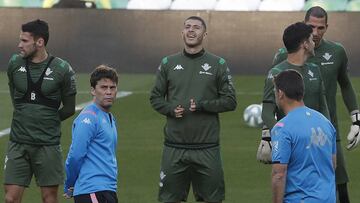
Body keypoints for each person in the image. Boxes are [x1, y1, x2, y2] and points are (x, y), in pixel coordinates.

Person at [272, 6, 360, 203]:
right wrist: (269, 132)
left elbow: (345, 85)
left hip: (329, 129)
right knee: (295, 180)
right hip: (296, 134)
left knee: (340, 184)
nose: (316, 32)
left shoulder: (336, 52)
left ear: (327, 27)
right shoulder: (282, 56)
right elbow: (275, 95)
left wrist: (356, 119)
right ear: (304, 25)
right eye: (311, 27)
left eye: (321, 28)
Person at [150, 16, 237, 203]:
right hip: (174, 148)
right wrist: (171, 109)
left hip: (207, 148)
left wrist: (202, 105)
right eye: (187, 27)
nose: (191, 30)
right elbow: (155, 98)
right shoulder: (168, 63)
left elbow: (230, 101)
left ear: (204, 34)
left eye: (196, 27)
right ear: (182, 32)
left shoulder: (218, 64)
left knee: (212, 199)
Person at [5, 19, 76, 203]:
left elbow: (69, 108)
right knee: (11, 199)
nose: (19, 45)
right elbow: (16, 99)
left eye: (24, 41)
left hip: (48, 146)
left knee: (49, 199)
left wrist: (49, 120)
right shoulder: (14, 64)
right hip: (18, 144)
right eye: (20, 40)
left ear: (40, 42)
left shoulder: (62, 69)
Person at [257, 22, 329, 163]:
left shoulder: (315, 70)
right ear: (305, 44)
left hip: (317, 143)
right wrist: (280, 135)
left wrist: (328, 135)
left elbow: (323, 107)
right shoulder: (276, 73)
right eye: (310, 39)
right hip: (292, 145)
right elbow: (267, 112)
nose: (314, 42)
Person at [271, 69, 336, 203]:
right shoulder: (325, 122)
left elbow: (279, 174)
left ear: (280, 93)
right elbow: (333, 163)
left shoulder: (282, 128)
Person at [64, 65, 119, 203]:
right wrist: (70, 183)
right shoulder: (88, 118)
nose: (108, 92)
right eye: (103, 87)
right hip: (91, 191)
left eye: (112, 88)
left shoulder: (109, 117)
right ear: (93, 91)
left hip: (108, 190)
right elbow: (76, 155)